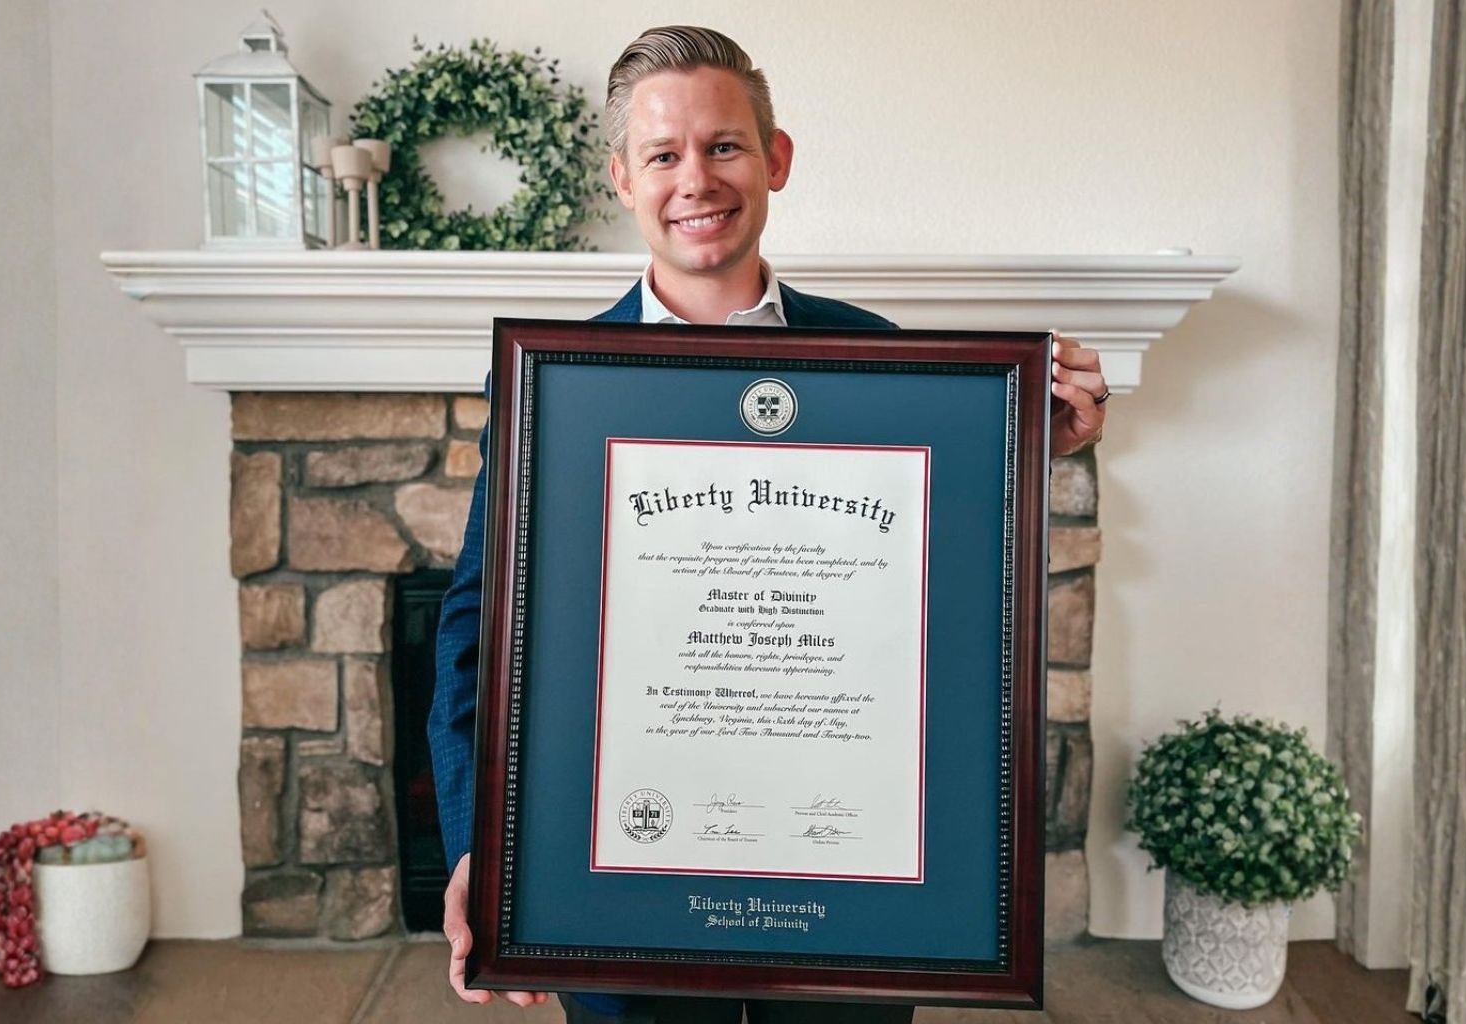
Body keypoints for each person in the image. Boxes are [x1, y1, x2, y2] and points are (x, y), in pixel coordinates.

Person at [429, 25, 1110, 1022]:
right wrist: (475, 844)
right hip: (614, 895)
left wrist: (1021, 453)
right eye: (662, 154)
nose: (694, 180)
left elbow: (936, 600)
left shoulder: (885, 360)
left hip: (846, 908)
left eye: (723, 146)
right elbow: (473, 623)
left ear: (775, 158)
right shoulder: (554, 385)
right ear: (622, 178)